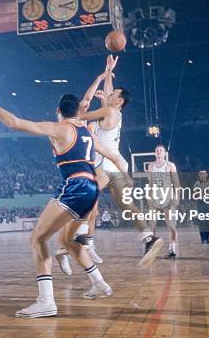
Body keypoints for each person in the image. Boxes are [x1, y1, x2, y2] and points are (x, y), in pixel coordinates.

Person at [0, 82, 131, 318]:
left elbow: (14, 122)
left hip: (75, 185)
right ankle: (99, 283)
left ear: (59, 111)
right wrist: (125, 175)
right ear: (78, 112)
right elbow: (113, 156)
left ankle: (46, 301)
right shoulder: (87, 132)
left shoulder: (60, 128)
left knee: (38, 239)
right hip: (93, 188)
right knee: (69, 240)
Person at [78, 56, 163, 267]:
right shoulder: (112, 110)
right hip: (116, 164)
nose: (109, 94)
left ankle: (82, 242)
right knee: (125, 205)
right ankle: (149, 239)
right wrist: (108, 71)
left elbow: (82, 115)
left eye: (113, 94)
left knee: (86, 199)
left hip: (108, 164)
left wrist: (88, 101)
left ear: (119, 101)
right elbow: (109, 91)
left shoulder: (109, 110)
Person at [146, 144, 181, 259]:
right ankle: (151, 248)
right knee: (151, 224)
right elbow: (150, 183)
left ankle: (172, 250)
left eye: (161, 150)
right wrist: (149, 196)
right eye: (157, 150)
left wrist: (176, 200)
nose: (159, 152)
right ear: (155, 153)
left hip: (168, 199)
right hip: (155, 200)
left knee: (171, 224)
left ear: (165, 153)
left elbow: (177, 184)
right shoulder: (151, 166)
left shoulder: (170, 165)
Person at [193, 170, 209, 244]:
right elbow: (195, 195)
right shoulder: (196, 184)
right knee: (201, 222)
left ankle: (207, 238)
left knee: (208, 222)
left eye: (203, 174)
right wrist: (202, 192)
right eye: (200, 174)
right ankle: (203, 238)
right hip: (201, 203)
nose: (202, 175)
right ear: (199, 175)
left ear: (207, 174)